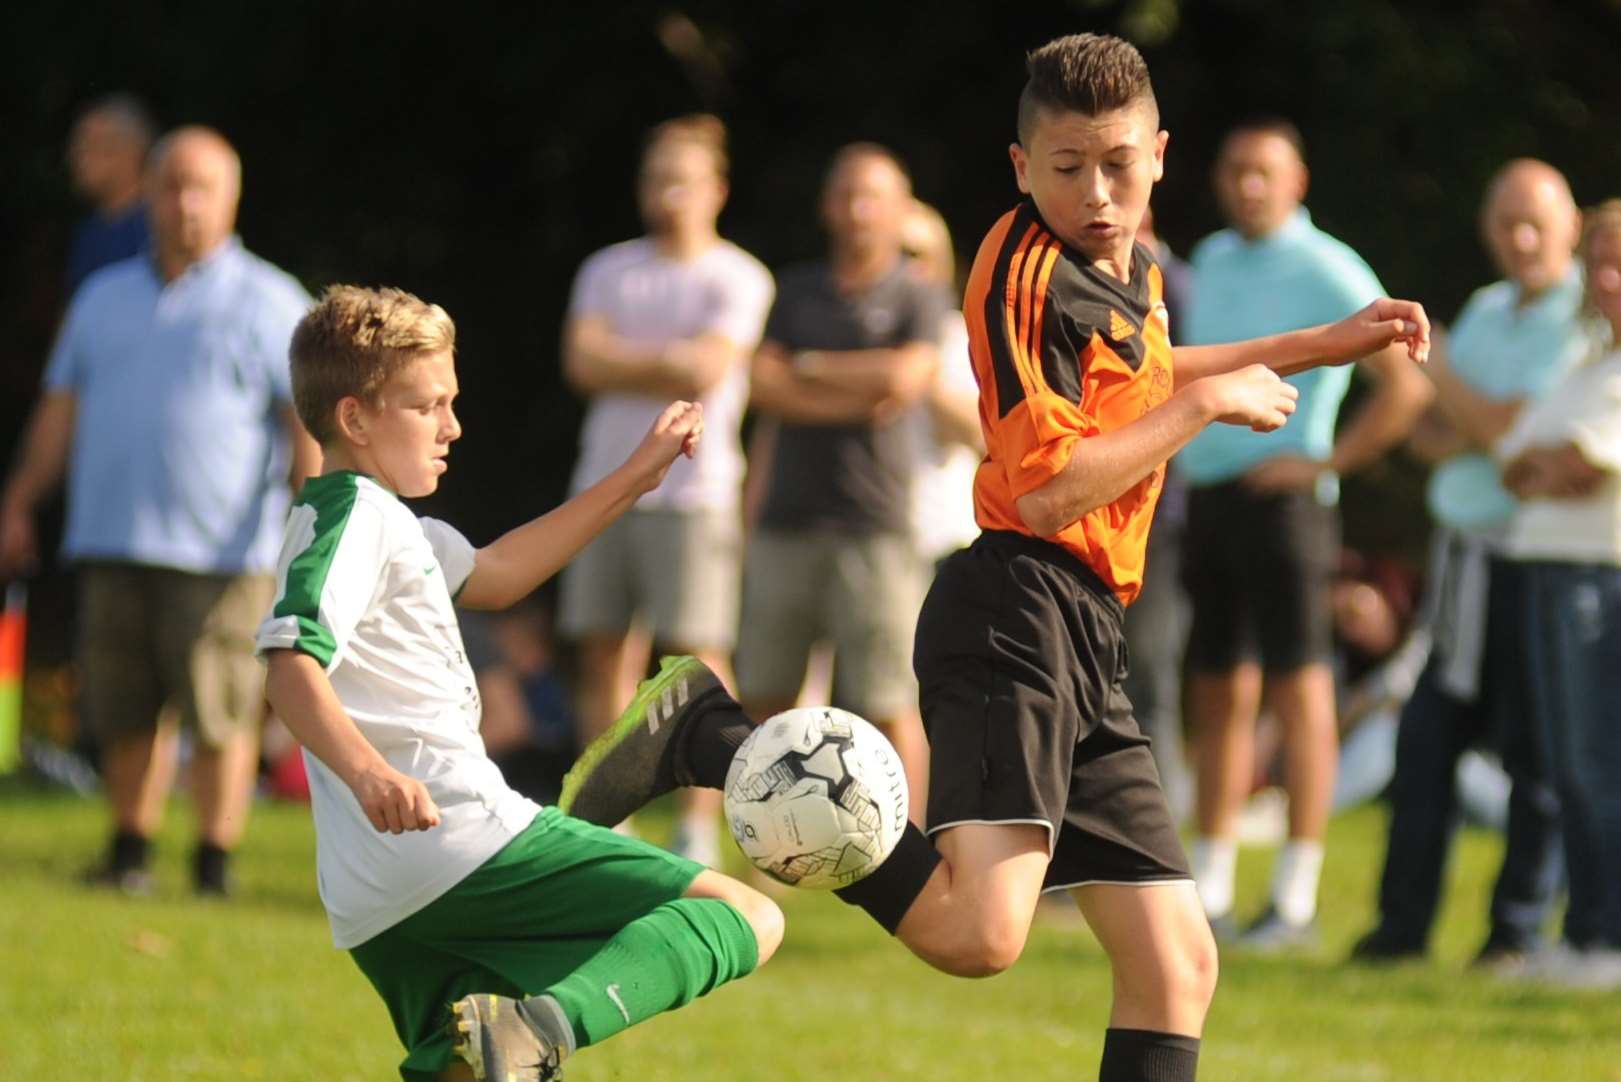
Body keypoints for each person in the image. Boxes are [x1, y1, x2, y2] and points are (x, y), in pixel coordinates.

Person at [558, 34, 1429, 1082]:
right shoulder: (1021, 273)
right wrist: (1206, 405)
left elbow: (1144, 372)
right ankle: (713, 734)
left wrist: (1314, 341)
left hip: (1083, 630)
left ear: (1159, 153)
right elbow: (1052, 487)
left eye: (1118, 165)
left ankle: (712, 732)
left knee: (1175, 962)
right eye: (1067, 170)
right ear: (1022, 168)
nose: (1097, 193)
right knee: (979, 934)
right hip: (1013, 607)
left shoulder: (1132, 266)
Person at [257, 285, 783, 1081]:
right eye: (426, 405)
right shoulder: (354, 518)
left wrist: (633, 479)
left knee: (465, 1069)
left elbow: (497, 574)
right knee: (743, 911)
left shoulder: (373, 518)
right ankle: (545, 1025)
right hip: (458, 843)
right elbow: (290, 663)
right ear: (355, 418)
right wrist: (371, 773)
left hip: (377, 899)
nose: (451, 427)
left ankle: (518, 1037)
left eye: (451, 402)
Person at [0, 126, 317, 896]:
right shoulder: (102, 297)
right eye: (171, 184)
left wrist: (312, 524)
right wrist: (18, 501)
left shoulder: (271, 300)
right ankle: (129, 850)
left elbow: (304, 423)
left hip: (223, 551)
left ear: (231, 197)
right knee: (123, 707)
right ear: (147, 194)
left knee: (220, 711)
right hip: (110, 536)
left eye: (201, 186)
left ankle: (213, 863)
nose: (184, 202)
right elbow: (59, 410)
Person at [1177, 117, 1434, 947]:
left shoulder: (1328, 265)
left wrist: (1320, 465)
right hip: (1208, 501)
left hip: (1286, 509)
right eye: (1235, 169)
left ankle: (1291, 896)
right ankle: (1210, 881)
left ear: (1296, 181)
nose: (1248, 185)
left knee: (1299, 689)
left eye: (1264, 171)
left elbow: (1402, 389)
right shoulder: (1212, 258)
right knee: (1217, 688)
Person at [1352, 160, 1584, 965]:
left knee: (1534, 757)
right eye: (1505, 222)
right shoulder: (1488, 308)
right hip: (1459, 567)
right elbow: (1430, 433)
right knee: (1423, 746)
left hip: (1529, 567)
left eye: (1535, 223)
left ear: (1568, 228)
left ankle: (1512, 934)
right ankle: (1399, 931)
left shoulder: (1579, 317)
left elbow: (1508, 435)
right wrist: (1472, 418)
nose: (1519, 238)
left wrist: (1446, 374)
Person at [559, 114, 773, 865]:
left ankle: (697, 826)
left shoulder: (738, 275)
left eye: (682, 179)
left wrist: (627, 356)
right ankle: (606, 817)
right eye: (656, 178)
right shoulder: (607, 268)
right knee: (602, 654)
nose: (668, 194)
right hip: (606, 487)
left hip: (695, 494)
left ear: (715, 189)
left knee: (698, 662)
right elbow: (581, 362)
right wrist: (664, 359)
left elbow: (706, 370)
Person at [736, 142, 945, 822]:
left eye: (873, 197)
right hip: (785, 520)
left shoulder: (917, 294)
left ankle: (909, 845)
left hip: (874, 524)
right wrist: (855, 384)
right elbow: (761, 383)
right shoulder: (794, 290)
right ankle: (765, 842)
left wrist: (809, 367)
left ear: (897, 211)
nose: (859, 211)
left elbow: (904, 383)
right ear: (828, 207)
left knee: (889, 700)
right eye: (847, 196)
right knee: (764, 696)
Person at [1493, 200, 1621, 988]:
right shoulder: (1586, 364)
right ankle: (1585, 935)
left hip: (1592, 578)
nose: (1605, 276)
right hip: (1548, 573)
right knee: (1564, 764)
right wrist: (1544, 464)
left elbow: (1583, 466)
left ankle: (1603, 939)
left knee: (1591, 761)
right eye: (1598, 259)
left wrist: (1546, 464)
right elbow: (1513, 462)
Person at [1124, 204, 1194, 822]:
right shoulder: (1076, 281)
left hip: (1157, 517)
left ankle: (1157, 834)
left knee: (1149, 678)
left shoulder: (1182, 286)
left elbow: (1182, 379)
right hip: (1091, 516)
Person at [898, 198, 983, 574]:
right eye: (896, 252)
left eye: (916, 254)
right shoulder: (853, 332)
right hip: (856, 531)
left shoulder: (960, 337)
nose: (906, 267)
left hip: (940, 536)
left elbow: (981, 434)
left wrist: (915, 373)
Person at [65, 93, 154, 294]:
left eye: (90, 145)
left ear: (131, 152)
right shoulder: (90, 231)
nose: (75, 156)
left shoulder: (160, 227)